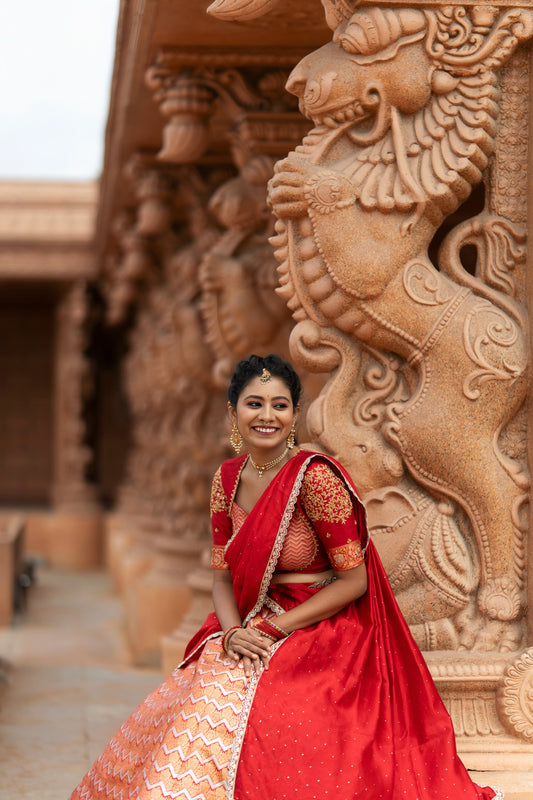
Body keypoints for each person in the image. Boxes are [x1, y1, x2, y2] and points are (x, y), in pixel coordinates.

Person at [70, 354, 502, 800]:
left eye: (280, 405)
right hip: (251, 621)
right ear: (233, 411)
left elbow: (353, 582)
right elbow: (221, 578)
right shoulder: (227, 478)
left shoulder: (314, 479)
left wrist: (275, 628)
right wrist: (235, 631)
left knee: (273, 710)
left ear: (295, 414)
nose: (267, 416)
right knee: (189, 698)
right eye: (254, 403)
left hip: (320, 624)